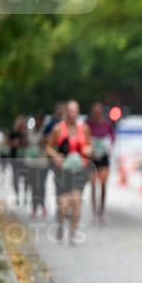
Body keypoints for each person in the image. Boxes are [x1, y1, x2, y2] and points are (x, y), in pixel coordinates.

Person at [46, 100, 93, 243]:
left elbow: (89, 146)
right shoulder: (58, 129)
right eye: (70, 111)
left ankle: (73, 233)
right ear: (66, 112)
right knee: (63, 205)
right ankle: (60, 224)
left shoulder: (84, 128)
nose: (73, 114)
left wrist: (88, 151)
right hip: (63, 171)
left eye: (75, 111)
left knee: (77, 201)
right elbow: (48, 147)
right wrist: (56, 156)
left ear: (78, 112)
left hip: (79, 169)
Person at [86, 102, 115, 223]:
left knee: (103, 185)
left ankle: (101, 211)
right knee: (93, 185)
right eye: (95, 112)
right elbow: (84, 138)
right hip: (92, 158)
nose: (97, 114)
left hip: (103, 158)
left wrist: (109, 145)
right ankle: (94, 212)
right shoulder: (88, 124)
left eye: (99, 112)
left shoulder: (107, 124)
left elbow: (113, 136)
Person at [7, 115, 29, 205]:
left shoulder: (25, 133)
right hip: (15, 159)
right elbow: (8, 142)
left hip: (24, 160)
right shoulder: (13, 132)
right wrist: (13, 143)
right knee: (16, 180)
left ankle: (25, 196)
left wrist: (21, 142)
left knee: (26, 179)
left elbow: (28, 143)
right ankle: (17, 196)